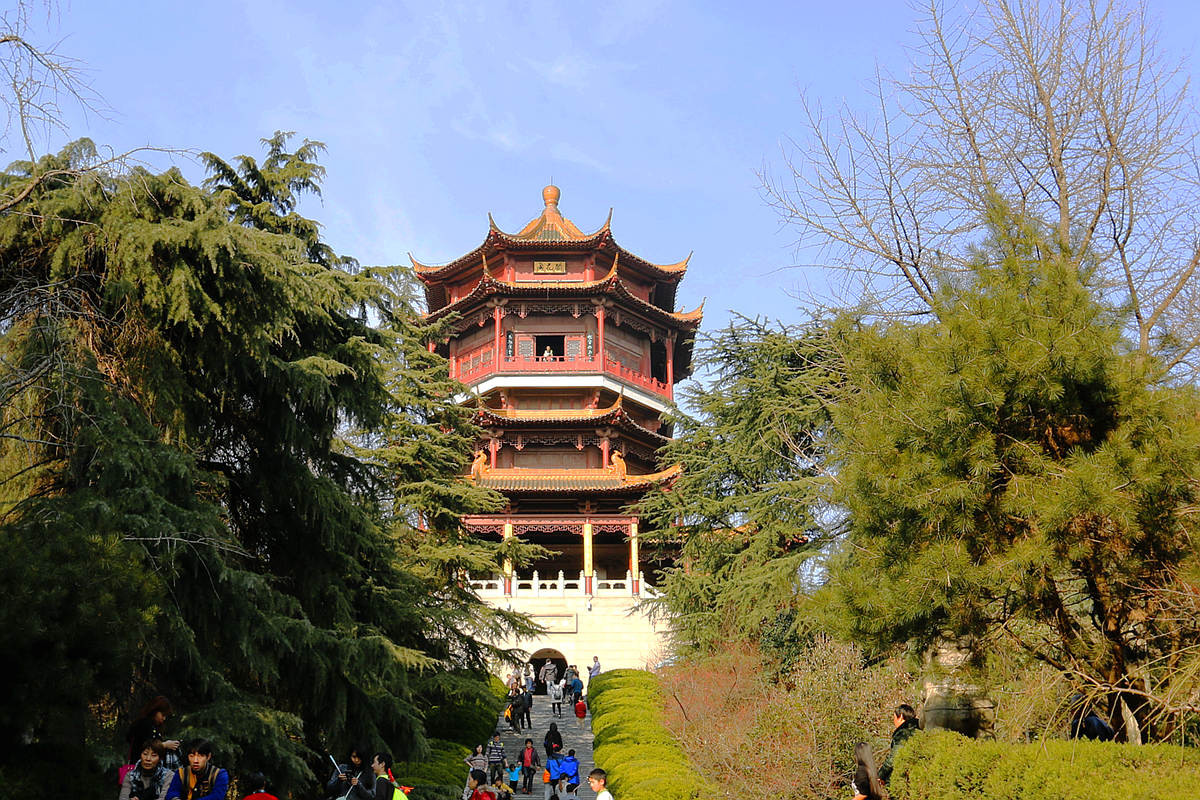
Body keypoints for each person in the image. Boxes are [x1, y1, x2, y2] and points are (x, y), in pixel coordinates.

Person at [126, 697, 181, 771]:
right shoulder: (144, 724)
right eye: (163, 715)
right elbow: (144, 746)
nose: (164, 718)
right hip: (140, 770)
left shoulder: (151, 725)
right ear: (155, 711)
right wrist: (164, 745)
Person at [165, 740, 229, 800]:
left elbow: (217, 797)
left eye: (200, 756)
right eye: (191, 756)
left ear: (208, 756)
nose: (195, 761)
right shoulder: (181, 773)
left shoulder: (219, 774)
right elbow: (172, 793)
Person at [877, 703, 920, 785]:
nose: (894, 721)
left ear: (900, 716)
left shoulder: (903, 733)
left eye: (894, 718)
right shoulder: (920, 729)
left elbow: (894, 757)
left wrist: (881, 775)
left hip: (903, 781)